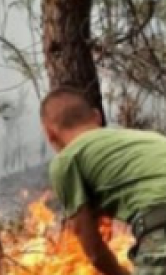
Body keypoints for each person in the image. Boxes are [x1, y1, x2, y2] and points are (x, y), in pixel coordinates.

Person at [41, 86, 166, 275]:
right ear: (97, 116)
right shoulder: (148, 137)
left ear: (50, 134)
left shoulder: (66, 160)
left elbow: (95, 252)